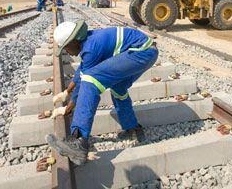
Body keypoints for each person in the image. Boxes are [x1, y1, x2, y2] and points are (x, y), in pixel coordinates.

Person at [47, 20, 158, 165]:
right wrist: (67, 92)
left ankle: (78, 141)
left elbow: (84, 80)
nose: (67, 51)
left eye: (66, 47)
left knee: (91, 81)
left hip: (140, 52)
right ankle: (132, 127)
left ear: (74, 41)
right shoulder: (90, 42)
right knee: (119, 89)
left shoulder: (92, 48)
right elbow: (82, 69)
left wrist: (68, 108)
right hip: (147, 51)